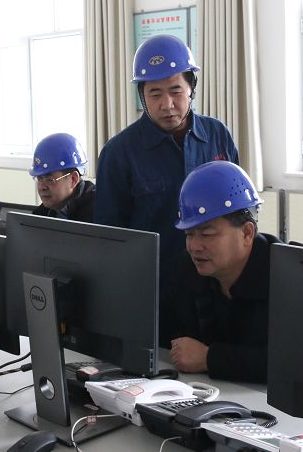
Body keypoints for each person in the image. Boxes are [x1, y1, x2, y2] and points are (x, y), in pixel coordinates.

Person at [94, 34, 240, 338]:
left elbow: (240, 213)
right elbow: (109, 240)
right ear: (142, 96)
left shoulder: (218, 136)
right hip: (157, 297)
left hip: (220, 291)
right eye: (155, 94)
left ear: (191, 88)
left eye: (176, 91)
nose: (167, 104)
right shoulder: (119, 153)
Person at [167, 161, 279, 382]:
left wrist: (210, 358)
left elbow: (292, 362)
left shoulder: (283, 276)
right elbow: (172, 339)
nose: (194, 246)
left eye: (207, 234)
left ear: (247, 233)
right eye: (189, 234)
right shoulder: (187, 268)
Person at [29, 133, 96, 223]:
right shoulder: (45, 212)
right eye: (39, 178)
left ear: (73, 180)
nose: (42, 187)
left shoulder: (97, 215)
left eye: (49, 179)